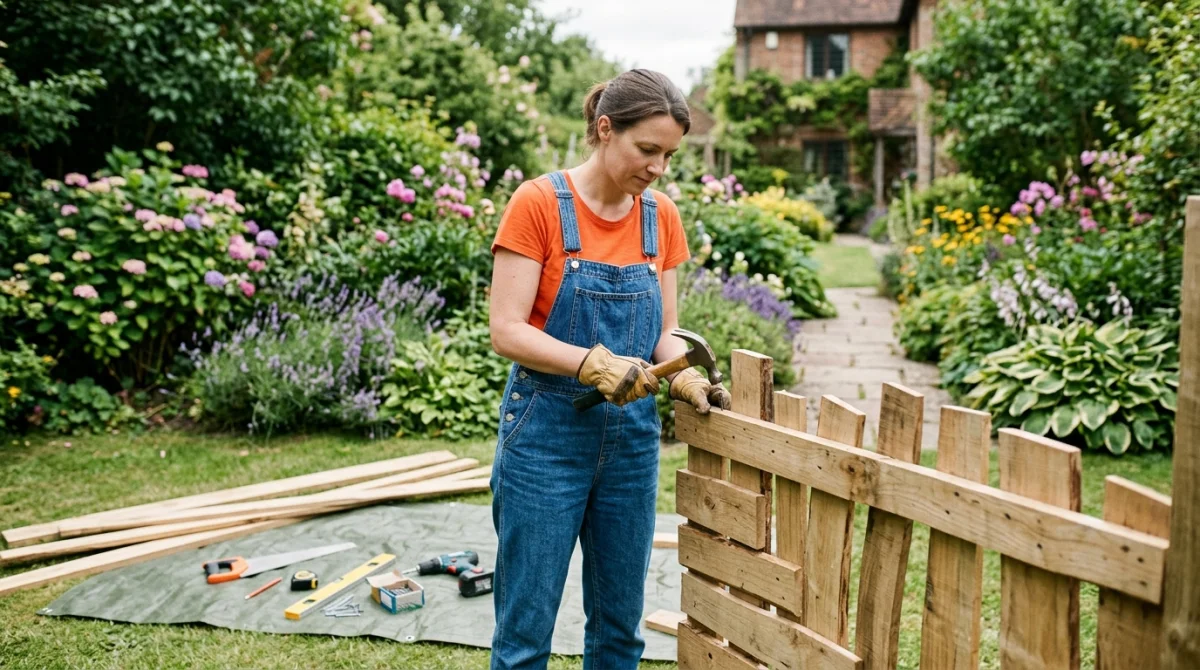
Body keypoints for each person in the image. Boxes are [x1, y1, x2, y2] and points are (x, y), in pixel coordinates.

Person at [486, 69, 732, 670]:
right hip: (545, 434)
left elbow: (665, 331)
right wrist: (591, 363)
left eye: (669, 155)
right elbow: (507, 330)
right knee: (525, 636)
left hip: (630, 444)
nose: (658, 168)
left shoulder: (660, 217)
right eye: (647, 149)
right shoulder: (539, 204)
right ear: (604, 129)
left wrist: (681, 372)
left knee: (621, 632)